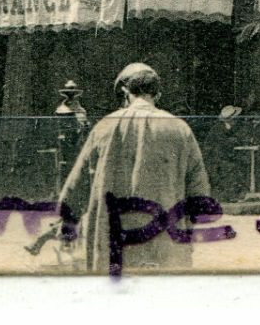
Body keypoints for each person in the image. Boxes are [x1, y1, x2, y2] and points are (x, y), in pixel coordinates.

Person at [52, 62, 211, 273]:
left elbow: (77, 184)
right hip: (164, 241)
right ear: (158, 95)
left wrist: (68, 224)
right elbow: (199, 193)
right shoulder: (180, 129)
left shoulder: (104, 126)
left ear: (126, 93)